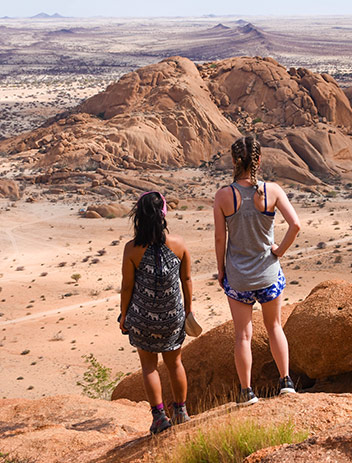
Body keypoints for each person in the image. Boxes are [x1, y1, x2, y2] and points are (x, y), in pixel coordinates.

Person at [213, 136, 302, 405]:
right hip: (268, 273)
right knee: (274, 326)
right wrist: (279, 251)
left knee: (243, 335)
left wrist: (221, 270)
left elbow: (220, 238)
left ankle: (246, 391)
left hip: (238, 277)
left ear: (233, 161)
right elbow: (295, 225)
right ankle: (285, 381)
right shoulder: (272, 190)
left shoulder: (224, 195)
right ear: (259, 160)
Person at [119, 191, 192, 434]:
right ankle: (180, 411)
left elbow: (127, 286)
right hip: (172, 317)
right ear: (163, 215)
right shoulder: (179, 244)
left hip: (143, 318)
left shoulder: (132, 249)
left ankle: (159, 417)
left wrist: (124, 315)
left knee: (149, 367)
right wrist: (188, 311)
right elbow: (186, 279)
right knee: (175, 363)